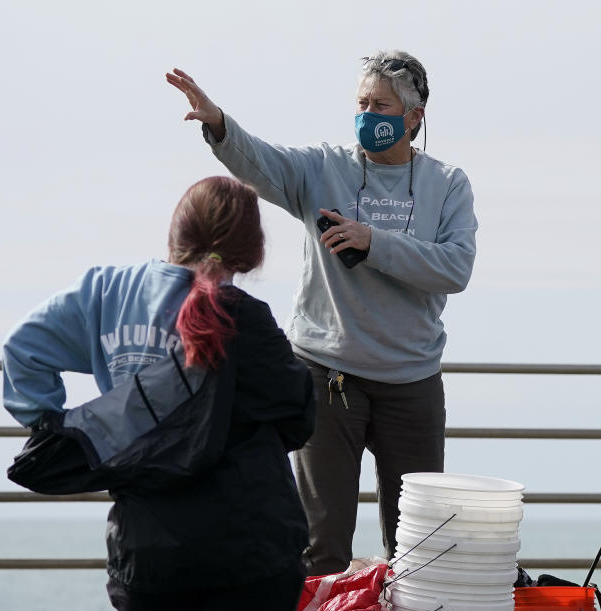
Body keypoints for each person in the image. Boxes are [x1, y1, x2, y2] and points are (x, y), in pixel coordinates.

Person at [166, 50, 478, 576]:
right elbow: (259, 162)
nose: (367, 114)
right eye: (361, 102)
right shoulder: (322, 168)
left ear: (414, 117)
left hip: (412, 380)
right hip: (327, 374)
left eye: (381, 105)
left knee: (418, 549)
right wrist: (219, 124)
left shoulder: (447, 183)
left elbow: (456, 268)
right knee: (321, 544)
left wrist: (373, 242)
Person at [1, 177, 313, 611]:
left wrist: (63, 427)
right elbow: (297, 417)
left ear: (175, 234)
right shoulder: (245, 316)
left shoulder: (104, 292)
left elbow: (21, 351)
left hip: (146, 552)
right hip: (248, 547)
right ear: (250, 249)